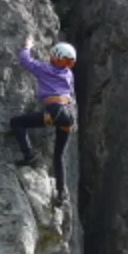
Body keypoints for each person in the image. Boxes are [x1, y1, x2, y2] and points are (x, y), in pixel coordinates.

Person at [10, 36, 77, 205]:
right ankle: (61, 193)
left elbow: (25, 60)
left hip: (55, 111)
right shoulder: (68, 74)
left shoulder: (45, 70)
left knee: (17, 122)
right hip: (68, 115)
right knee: (59, 155)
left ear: (56, 57)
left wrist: (28, 45)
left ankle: (29, 154)